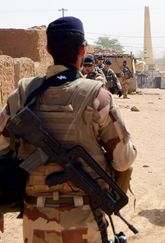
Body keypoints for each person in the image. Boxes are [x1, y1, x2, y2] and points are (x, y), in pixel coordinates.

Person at [0, 16, 137, 242]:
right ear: (82, 50)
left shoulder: (22, 95)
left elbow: (2, 148)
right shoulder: (99, 97)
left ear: (48, 48)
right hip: (86, 215)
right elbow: (123, 161)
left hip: (35, 217)